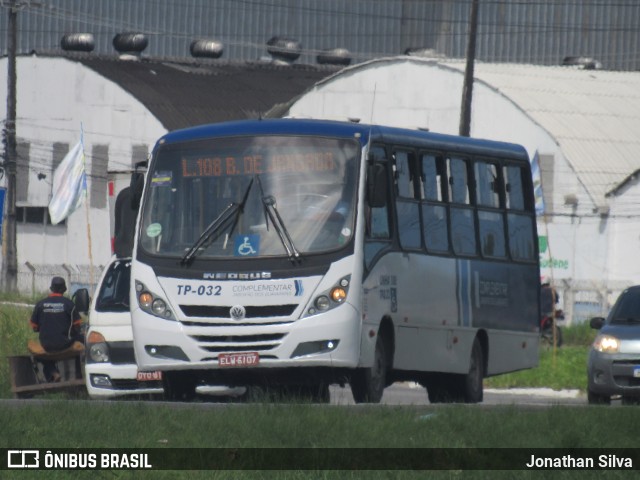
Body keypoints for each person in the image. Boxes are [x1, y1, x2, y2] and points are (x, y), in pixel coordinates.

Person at [29, 276, 84, 382]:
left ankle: (53, 372)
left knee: (39, 354)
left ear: (51, 288)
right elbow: (77, 326)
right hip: (65, 344)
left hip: (47, 345)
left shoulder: (40, 304)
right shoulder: (69, 304)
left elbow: (34, 327)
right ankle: (78, 376)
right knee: (82, 339)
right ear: (64, 289)